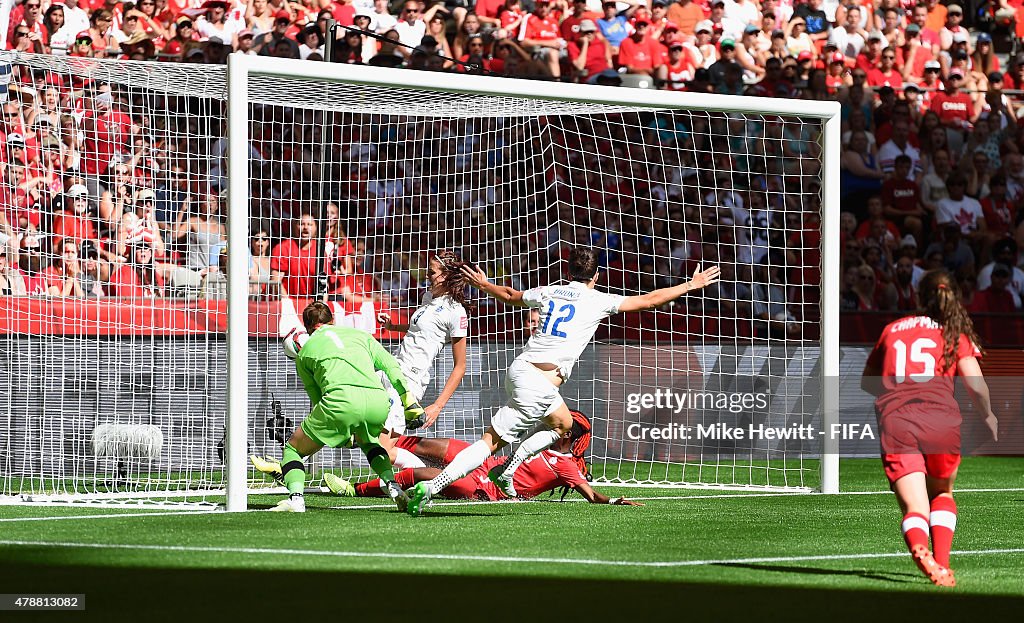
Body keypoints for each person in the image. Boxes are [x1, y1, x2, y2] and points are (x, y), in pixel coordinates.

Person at [403, 247, 720, 515]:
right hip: (539, 380)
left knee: (563, 423)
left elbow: (512, 296)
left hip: (521, 369)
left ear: (569, 271)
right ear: (595, 277)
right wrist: (690, 286)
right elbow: (650, 300)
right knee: (491, 443)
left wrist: (486, 286)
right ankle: (433, 488)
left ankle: (507, 470)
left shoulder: (550, 291)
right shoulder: (597, 300)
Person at [861, 270, 998, 586]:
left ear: (918, 297)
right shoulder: (954, 334)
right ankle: (943, 564)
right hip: (941, 420)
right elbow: (976, 385)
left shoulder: (892, 329)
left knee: (914, 505)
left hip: (897, 420)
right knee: (943, 492)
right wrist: (988, 415)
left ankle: (921, 549)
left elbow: (867, 383)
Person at [270, 301, 426, 513]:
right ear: (332, 320)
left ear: (307, 329)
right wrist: (408, 399)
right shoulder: (360, 336)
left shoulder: (304, 353)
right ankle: (394, 487)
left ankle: (296, 500)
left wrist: (341, 430)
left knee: (293, 450)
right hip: (377, 402)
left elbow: (318, 398)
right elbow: (390, 365)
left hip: (340, 403)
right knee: (370, 443)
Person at [320, 411, 641, 506]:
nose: (555, 419)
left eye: (564, 421)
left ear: (568, 434)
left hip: (486, 489)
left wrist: (611, 501)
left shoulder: (569, 465)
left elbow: (590, 494)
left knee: (425, 475)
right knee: (431, 445)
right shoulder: (544, 443)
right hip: (485, 463)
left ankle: (355, 490)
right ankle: (375, 440)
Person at [374, 251, 472, 468]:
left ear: (447, 275)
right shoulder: (428, 299)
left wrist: (438, 405)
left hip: (409, 380)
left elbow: (461, 366)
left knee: (381, 450)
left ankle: (427, 475)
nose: (427, 276)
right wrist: (392, 327)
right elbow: (419, 329)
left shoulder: (456, 312)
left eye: (432, 272)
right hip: (393, 368)